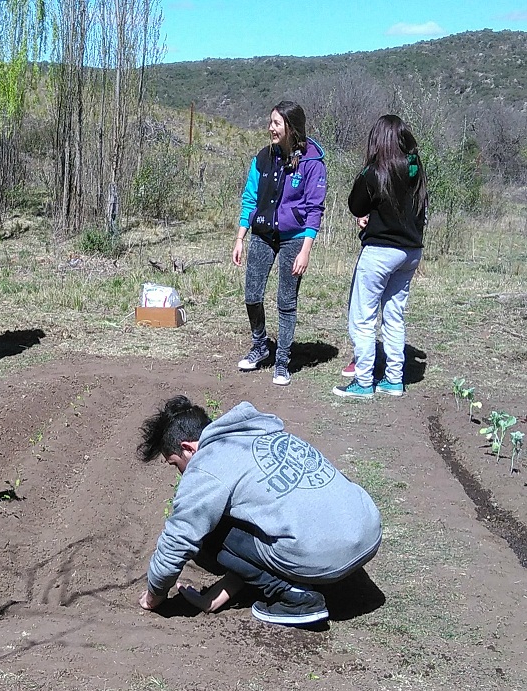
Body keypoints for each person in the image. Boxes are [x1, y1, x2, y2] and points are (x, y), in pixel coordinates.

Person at [137, 396, 382, 626]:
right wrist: (215, 596)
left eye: (175, 464)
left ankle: (294, 599)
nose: (181, 474)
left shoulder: (207, 463)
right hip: (367, 533)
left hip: (326, 557)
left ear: (188, 448)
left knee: (206, 531)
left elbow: (178, 539)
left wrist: (153, 595)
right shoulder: (260, 434)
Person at [232, 101, 327, 386]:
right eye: (270, 122)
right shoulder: (262, 158)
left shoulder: (312, 162)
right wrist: (240, 237)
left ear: (291, 128)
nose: (271, 128)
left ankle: (283, 360)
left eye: (276, 123)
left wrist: (305, 250)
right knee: (252, 295)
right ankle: (260, 346)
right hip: (263, 234)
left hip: (294, 239)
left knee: (286, 301)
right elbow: (250, 198)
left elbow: (314, 209)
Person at [334, 115, 428, 399]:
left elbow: (355, 204)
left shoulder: (375, 172)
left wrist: (368, 216)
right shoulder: (415, 168)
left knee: (362, 319)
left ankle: (363, 382)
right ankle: (394, 380)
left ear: (378, 140)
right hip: (411, 252)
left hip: (380, 253)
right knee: (394, 316)